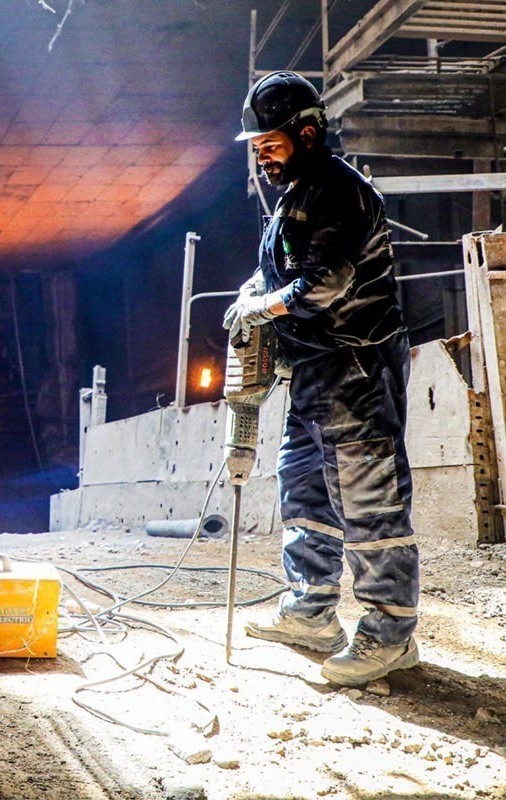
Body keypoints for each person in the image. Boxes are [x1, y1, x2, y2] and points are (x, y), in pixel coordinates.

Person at [224, 71, 419, 686]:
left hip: (355, 370)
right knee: (304, 488)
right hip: (312, 372)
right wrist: (254, 289)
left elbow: (324, 284)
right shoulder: (294, 194)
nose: (261, 151)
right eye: (257, 143)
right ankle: (310, 611)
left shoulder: (338, 189)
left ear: (308, 134)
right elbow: (285, 267)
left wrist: (264, 307)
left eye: (271, 141)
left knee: (368, 502)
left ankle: (391, 636)